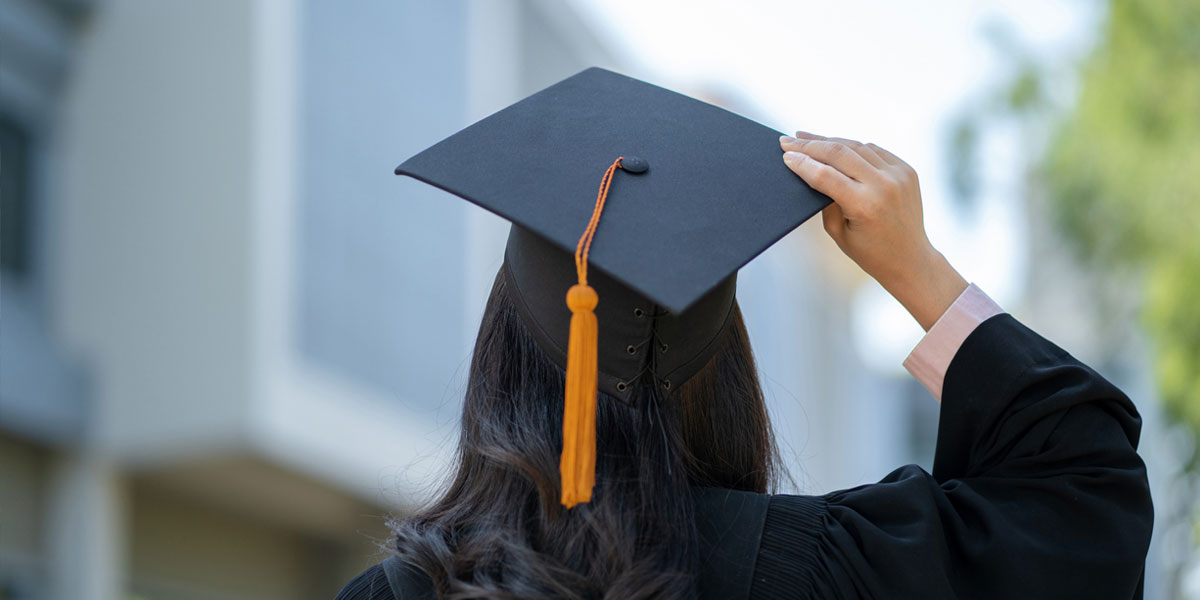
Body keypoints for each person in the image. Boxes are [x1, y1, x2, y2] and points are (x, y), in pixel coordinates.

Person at [335, 69, 1152, 599]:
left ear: (504, 354)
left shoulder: (395, 596)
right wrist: (921, 272)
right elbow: (1083, 498)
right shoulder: (833, 572)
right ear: (725, 370)